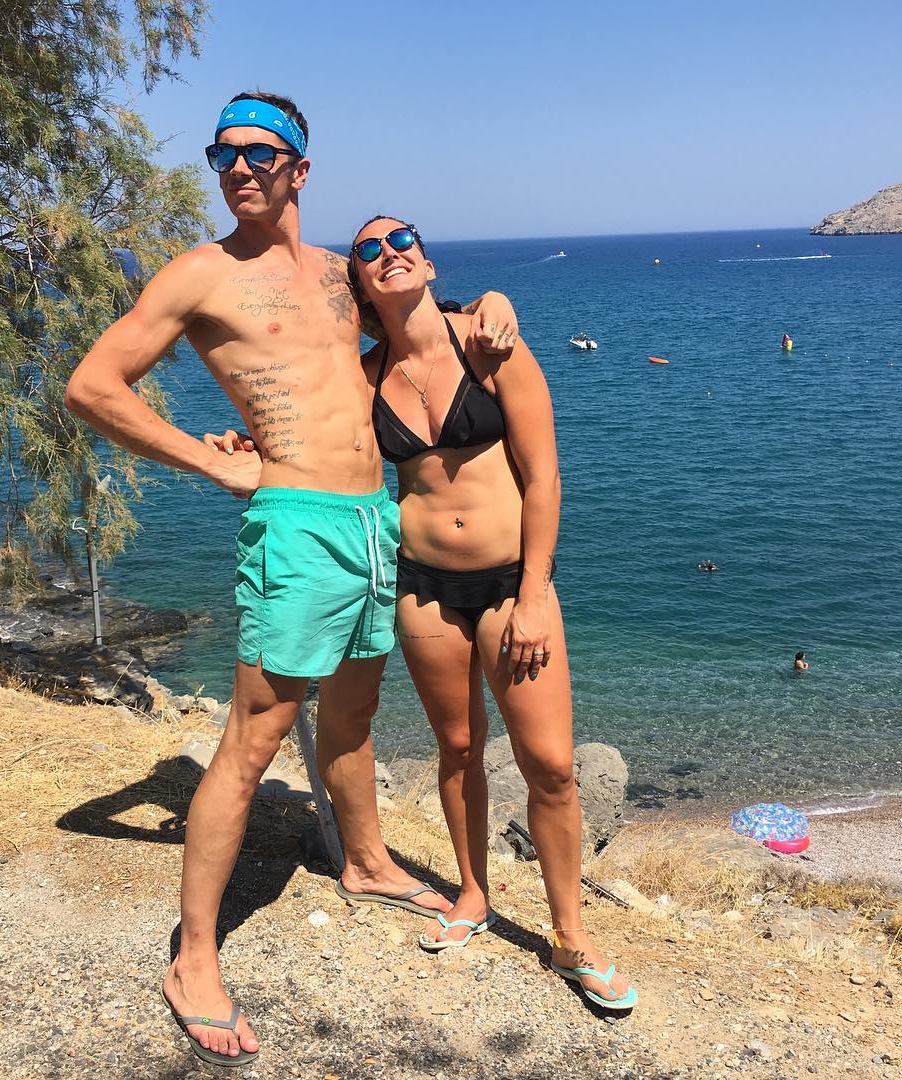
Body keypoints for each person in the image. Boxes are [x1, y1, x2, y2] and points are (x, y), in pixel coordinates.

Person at [64, 94, 517, 1065]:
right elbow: (92, 386)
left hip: (374, 519)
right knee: (252, 742)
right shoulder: (200, 274)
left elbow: (421, 325)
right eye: (223, 153)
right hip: (299, 526)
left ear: (299, 169)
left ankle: (365, 861)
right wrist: (207, 458)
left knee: (353, 713)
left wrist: (490, 305)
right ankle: (194, 960)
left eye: (260, 153)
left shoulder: (341, 273)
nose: (238, 168)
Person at [346, 215, 636, 1011]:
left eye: (401, 239)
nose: (388, 252)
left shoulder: (489, 345)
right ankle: (473, 894)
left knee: (550, 765)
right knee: (458, 746)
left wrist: (535, 595)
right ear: (363, 283)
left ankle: (569, 937)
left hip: (512, 587)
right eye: (368, 249)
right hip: (423, 587)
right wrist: (241, 447)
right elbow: (313, 442)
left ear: (428, 261)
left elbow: (544, 477)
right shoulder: (365, 376)